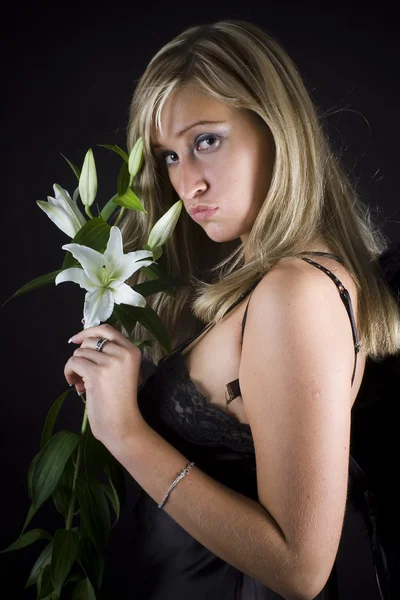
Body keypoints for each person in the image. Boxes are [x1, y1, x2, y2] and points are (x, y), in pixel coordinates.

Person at [65, 19, 400, 600]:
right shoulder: (275, 286)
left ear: (275, 129)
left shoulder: (297, 291)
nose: (186, 183)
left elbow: (300, 568)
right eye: (169, 156)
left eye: (206, 141)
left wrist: (126, 433)